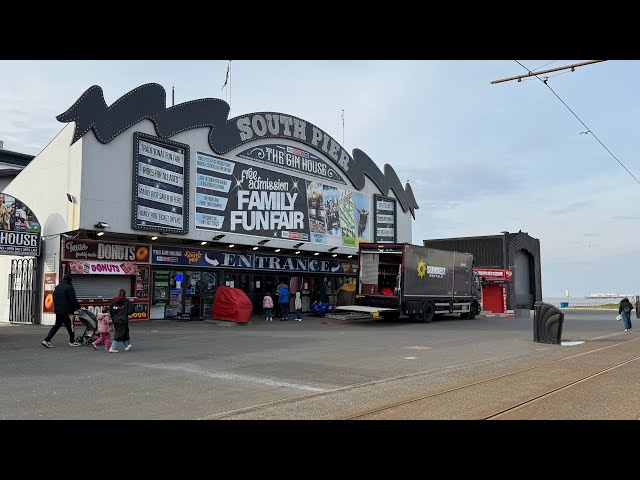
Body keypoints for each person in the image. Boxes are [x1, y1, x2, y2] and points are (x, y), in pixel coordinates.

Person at [42, 274, 81, 348]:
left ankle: (47, 340)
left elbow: (54, 297)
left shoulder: (57, 287)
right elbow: (72, 299)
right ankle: (72, 341)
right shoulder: (69, 288)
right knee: (71, 326)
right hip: (67, 311)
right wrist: (78, 307)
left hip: (58, 310)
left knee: (57, 325)